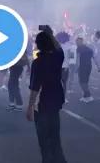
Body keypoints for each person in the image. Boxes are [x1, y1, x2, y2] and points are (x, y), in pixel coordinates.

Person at [26, 29, 67, 163]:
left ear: (38, 44)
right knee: (55, 138)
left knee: (44, 142)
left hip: (42, 104)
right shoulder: (58, 57)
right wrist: (50, 35)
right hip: (56, 101)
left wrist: (30, 106)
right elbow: (58, 47)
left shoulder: (37, 63)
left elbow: (34, 88)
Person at [76, 37, 100, 103]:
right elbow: (95, 58)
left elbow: (77, 58)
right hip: (89, 66)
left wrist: (76, 67)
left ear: (81, 42)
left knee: (82, 82)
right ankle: (85, 96)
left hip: (82, 66)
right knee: (85, 81)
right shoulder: (90, 49)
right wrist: (98, 67)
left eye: (77, 42)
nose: (76, 43)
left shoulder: (79, 48)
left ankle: (89, 96)